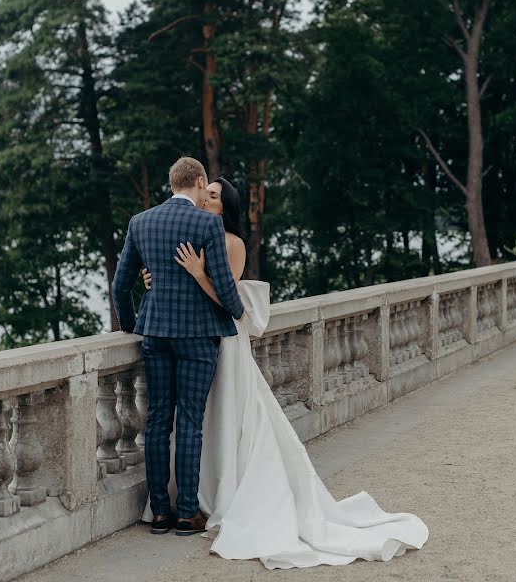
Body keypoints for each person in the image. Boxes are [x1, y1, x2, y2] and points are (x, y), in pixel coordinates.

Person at [139, 175, 429, 569]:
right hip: (196, 338)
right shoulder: (195, 232)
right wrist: (153, 280)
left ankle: (218, 498)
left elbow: (229, 302)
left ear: (225, 207)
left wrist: (198, 274)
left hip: (222, 338)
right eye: (205, 193)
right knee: (198, 420)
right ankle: (196, 499)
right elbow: (167, 283)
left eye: (213, 196)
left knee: (219, 418)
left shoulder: (232, 244)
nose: (206, 199)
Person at [111, 157, 245, 536]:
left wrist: (135, 326)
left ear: (172, 183)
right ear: (200, 181)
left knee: (156, 422)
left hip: (155, 335)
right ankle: (187, 514)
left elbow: (121, 287)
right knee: (189, 422)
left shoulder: (141, 222)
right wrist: (235, 308)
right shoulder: (208, 223)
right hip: (198, 337)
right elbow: (228, 296)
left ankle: (160, 514)